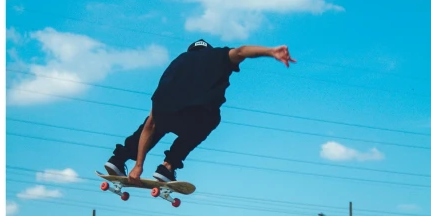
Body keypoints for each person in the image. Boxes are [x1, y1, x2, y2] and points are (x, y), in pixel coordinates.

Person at [104, 39, 296, 183]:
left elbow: (150, 125)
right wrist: (270, 51)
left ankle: (118, 159)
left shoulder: (176, 64)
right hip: (194, 117)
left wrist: (138, 166)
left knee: (156, 121)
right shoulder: (217, 57)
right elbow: (242, 51)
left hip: (164, 111)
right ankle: (167, 166)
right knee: (212, 118)